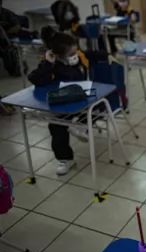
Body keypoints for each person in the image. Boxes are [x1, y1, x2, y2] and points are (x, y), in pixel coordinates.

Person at [27, 26, 112, 175]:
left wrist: (107, 55)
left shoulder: (80, 56)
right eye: (71, 54)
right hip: (63, 103)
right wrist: (48, 64)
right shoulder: (51, 65)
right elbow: (35, 79)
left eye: (76, 51)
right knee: (56, 127)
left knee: (99, 108)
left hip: (84, 100)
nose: (75, 55)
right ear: (58, 55)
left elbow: (92, 53)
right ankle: (65, 159)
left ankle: (80, 126)